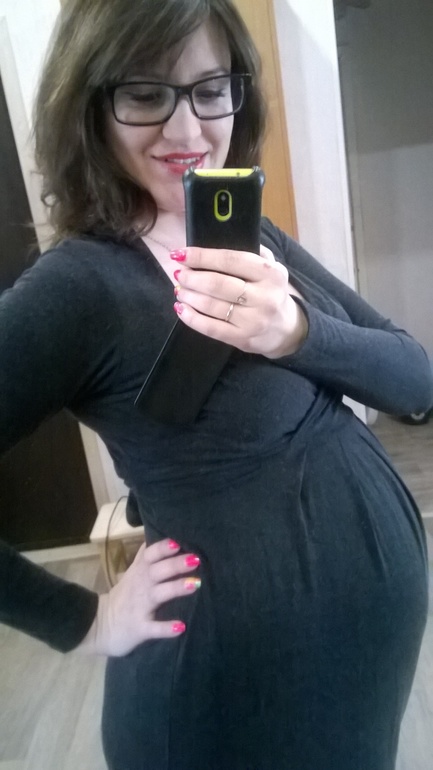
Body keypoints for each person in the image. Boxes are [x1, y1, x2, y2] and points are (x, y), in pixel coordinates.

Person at [1, 0, 432, 768]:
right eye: (145, 94)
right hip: (224, 703)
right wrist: (82, 619)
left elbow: (414, 380)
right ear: (90, 104)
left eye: (210, 90)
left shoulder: (248, 233)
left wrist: (296, 331)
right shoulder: (76, 289)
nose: (188, 130)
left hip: (360, 679)